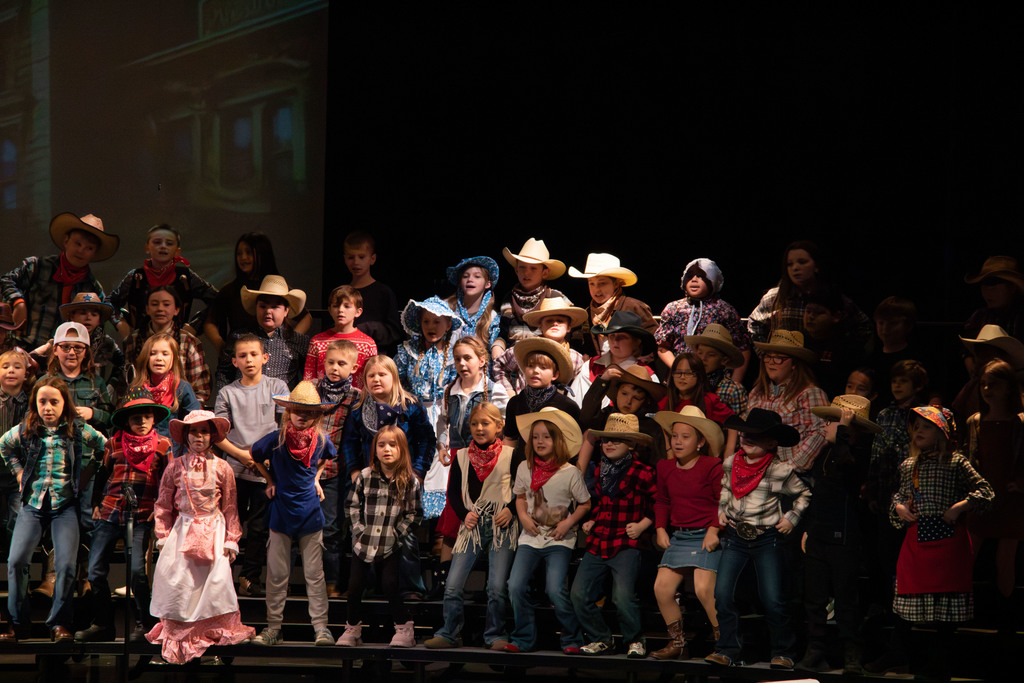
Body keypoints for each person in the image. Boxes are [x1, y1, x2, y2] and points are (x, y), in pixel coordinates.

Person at [866, 406, 994, 679]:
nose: (918, 431)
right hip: (917, 541)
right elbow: (897, 500)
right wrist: (900, 508)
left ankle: (940, 665)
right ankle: (899, 655)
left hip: (948, 543)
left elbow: (986, 492)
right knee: (905, 603)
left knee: (945, 610)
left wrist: (959, 507)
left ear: (942, 432)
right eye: (915, 427)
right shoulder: (909, 465)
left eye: (925, 426)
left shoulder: (957, 462)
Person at [0, 376, 106, 643]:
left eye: (54, 402)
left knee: (67, 565)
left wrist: (87, 474)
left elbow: (105, 447)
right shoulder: (27, 428)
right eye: (42, 402)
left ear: (64, 404)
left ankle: (59, 623)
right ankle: (17, 622)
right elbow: (4, 445)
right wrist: (19, 472)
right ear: (35, 404)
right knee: (16, 561)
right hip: (33, 505)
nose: (48, 407)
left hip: (64, 506)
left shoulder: (77, 429)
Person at [706, 408, 811, 670]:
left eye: (757, 435)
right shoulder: (731, 463)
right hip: (735, 537)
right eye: (745, 433)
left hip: (766, 539)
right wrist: (722, 512)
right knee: (723, 594)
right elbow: (725, 488)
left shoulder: (779, 469)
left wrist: (790, 519)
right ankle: (728, 649)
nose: (747, 438)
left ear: (772, 442)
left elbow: (804, 494)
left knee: (773, 598)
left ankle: (783, 651)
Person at [146, 410, 255, 663]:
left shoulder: (223, 468)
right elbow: (163, 504)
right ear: (186, 435)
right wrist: (163, 534)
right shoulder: (175, 465)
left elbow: (229, 507)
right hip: (183, 531)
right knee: (181, 584)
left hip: (213, 531)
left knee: (213, 585)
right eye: (194, 431)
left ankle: (210, 633)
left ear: (212, 436)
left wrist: (231, 539)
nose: (199, 436)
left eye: (204, 431)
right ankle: (181, 634)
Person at [75, 388, 172, 643]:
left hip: (141, 514)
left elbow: (168, 483)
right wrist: (96, 502)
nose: (141, 422)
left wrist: (160, 511)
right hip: (109, 512)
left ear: (154, 419)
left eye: (146, 417)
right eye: (135, 418)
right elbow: (103, 473)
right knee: (95, 570)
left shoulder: (163, 445)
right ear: (127, 421)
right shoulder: (114, 443)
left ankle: (145, 624)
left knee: (137, 571)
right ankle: (103, 623)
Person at [249, 382, 337, 647]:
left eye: (308, 412)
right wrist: (269, 481)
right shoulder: (277, 439)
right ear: (289, 412)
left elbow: (327, 458)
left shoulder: (321, 441)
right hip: (282, 512)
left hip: (309, 513)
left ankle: (321, 627)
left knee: (315, 574)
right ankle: (274, 627)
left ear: (317, 416)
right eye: (297, 411)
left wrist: (317, 480)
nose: (302, 416)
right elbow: (253, 455)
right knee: (277, 575)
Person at [424, 403, 517, 650]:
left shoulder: (511, 455)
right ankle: (449, 632)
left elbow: (522, 488)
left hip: (500, 526)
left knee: (496, 587)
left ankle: (495, 634)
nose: (478, 428)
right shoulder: (462, 456)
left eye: (485, 423)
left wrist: (512, 509)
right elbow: (453, 492)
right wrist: (465, 514)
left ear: (499, 426)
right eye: (474, 424)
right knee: (453, 583)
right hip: (472, 525)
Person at [340, 355, 433, 599]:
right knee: (368, 529)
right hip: (371, 481)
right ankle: (372, 585)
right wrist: (353, 469)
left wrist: (419, 472)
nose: (376, 379)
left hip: (403, 479)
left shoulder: (411, 405)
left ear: (394, 377)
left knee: (404, 532)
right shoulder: (360, 409)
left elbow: (426, 440)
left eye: (382, 374)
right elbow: (349, 441)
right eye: (371, 376)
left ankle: (410, 587)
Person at [799, 395, 880, 674]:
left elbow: (847, 468)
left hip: (844, 538)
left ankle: (851, 652)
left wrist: (844, 429)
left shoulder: (857, 456)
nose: (826, 425)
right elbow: (818, 495)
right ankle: (815, 650)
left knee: (846, 599)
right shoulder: (824, 453)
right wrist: (809, 530)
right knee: (815, 599)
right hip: (819, 535)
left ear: (849, 429)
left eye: (833, 421)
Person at [570, 413, 656, 657]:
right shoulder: (600, 471)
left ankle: (635, 639)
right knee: (579, 594)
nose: (608, 444)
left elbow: (658, 504)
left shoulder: (642, 472)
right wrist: (594, 518)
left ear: (631, 444)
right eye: (606, 440)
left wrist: (642, 525)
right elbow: (602, 502)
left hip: (626, 542)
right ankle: (601, 638)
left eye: (616, 440)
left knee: (622, 596)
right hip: (600, 539)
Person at [429, 336, 509, 598]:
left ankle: (489, 584)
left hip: (487, 459)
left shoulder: (493, 390)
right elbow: (442, 422)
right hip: (459, 456)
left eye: (468, 358)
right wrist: (442, 446)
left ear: (482, 361)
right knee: (453, 518)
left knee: (481, 516)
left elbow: (502, 424)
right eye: (458, 359)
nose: (462, 364)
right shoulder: (450, 389)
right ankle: (444, 583)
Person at [506, 408, 589, 654]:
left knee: (555, 588)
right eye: (536, 437)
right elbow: (520, 497)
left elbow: (585, 504)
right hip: (530, 538)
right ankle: (523, 637)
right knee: (515, 585)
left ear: (558, 440)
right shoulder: (524, 467)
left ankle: (572, 638)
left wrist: (567, 522)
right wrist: (522, 516)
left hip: (559, 540)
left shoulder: (570, 472)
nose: (540, 441)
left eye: (546, 436)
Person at [213, 333, 289, 597]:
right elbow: (218, 434)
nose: (249, 360)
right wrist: (242, 456)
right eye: (243, 356)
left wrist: (265, 457)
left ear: (265, 358)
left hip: (265, 468)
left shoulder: (277, 386)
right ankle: (222, 578)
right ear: (234, 361)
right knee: (228, 524)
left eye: (254, 354)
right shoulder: (228, 392)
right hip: (234, 467)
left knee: (258, 526)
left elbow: (285, 426)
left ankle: (249, 576)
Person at [650, 406, 725, 661]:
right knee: (661, 588)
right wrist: (660, 527)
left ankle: (724, 644)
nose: (678, 441)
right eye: (674, 436)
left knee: (704, 589)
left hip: (707, 532)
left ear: (701, 441)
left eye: (685, 436)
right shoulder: (665, 466)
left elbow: (722, 501)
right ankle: (678, 644)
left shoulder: (712, 466)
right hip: (680, 536)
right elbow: (662, 499)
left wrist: (714, 529)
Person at [337, 425, 422, 647]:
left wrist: (397, 532)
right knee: (355, 586)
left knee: (390, 585)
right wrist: (358, 530)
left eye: (393, 445)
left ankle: (403, 628)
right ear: (374, 450)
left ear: (402, 449)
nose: (387, 449)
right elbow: (352, 506)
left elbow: (414, 514)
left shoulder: (409, 480)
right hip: (363, 543)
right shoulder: (365, 476)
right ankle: (352, 628)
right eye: (381, 445)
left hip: (389, 543)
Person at [864, 359, 930, 616]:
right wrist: (870, 487)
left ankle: (910, 604)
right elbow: (876, 453)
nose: (897, 385)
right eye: (894, 380)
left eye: (903, 381)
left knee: (909, 553)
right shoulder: (884, 414)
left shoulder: (922, 416)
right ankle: (887, 604)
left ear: (917, 385)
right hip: (884, 491)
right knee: (884, 553)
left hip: (911, 494)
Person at [1, 212, 119, 349]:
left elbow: (102, 322)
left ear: (94, 253)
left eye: (89, 248)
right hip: (22, 350)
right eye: (78, 243)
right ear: (66, 241)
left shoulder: (92, 288)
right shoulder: (38, 267)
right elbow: (6, 279)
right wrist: (18, 302)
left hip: (62, 359)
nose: (81, 250)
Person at [965, 360, 1024, 631]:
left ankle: (1007, 621)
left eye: (995, 383)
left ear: (1009, 387)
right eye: (984, 383)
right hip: (982, 498)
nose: (987, 389)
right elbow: (971, 459)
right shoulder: (976, 422)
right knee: (967, 554)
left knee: (1005, 559)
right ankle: (959, 612)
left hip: (1010, 500)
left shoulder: (1018, 422)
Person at [747, 239, 871, 349]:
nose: (795, 268)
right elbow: (754, 323)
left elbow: (863, 325)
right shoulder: (775, 297)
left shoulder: (832, 297)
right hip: (786, 368)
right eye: (790, 264)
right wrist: (765, 354)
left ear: (816, 266)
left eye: (802, 262)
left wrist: (846, 352)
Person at [204, 232, 311, 355]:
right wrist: (222, 346)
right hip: (242, 356)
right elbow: (210, 322)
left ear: (262, 254)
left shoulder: (277, 288)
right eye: (239, 253)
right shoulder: (231, 289)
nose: (243, 257)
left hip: (273, 355)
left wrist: (289, 342)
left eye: (248, 252)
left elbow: (306, 317)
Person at [107, 223, 218, 338]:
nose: (163, 246)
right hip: (141, 344)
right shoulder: (136, 277)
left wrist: (195, 326)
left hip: (177, 344)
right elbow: (110, 302)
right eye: (157, 242)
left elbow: (219, 300)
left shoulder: (184, 277)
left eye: (169, 243)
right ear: (147, 247)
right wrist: (120, 323)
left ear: (177, 251)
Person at [313, 340, 361, 597]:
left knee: (334, 526)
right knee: (314, 526)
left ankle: (334, 582)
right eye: (330, 362)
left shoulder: (355, 396)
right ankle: (319, 581)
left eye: (341, 363)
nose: (334, 367)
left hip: (336, 470)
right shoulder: (311, 389)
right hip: (307, 469)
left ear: (353, 368)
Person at [656, 258, 751, 382]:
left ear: (713, 281)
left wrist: (735, 381)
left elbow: (743, 347)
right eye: (690, 276)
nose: (694, 279)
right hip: (679, 379)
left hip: (715, 380)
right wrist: (679, 369)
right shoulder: (674, 308)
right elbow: (662, 346)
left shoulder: (724, 310)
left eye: (701, 276)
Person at [747, 330, 829, 471]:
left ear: (794, 364)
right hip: (755, 469)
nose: (771, 362)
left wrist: (790, 468)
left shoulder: (809, 393)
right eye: (768, 356)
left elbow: (819, 434)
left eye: (778, 358)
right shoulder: (756, 393)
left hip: (789, 473)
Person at [215, 275, 309, 391]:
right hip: (244, 403)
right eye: (263, 306)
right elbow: (224, 372)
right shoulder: (239, 337)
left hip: (282, 406)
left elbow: (308, 379)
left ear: (286, 311)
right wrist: (225, 400)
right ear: (256, 308)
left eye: (275, 307)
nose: (268, 311)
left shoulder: (299, 341)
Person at [124, 286, 211, 405]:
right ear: (147, 309)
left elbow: (201, 389)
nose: (160, 309)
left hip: (179, 410)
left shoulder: (188, 341)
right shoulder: (133, 340)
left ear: (176, 309)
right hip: (142, 409)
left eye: (166, 304)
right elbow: (125, 382)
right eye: (154, 304)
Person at [501, 338, 582, 460]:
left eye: (543, 367)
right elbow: (510, 438)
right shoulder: (515, 402)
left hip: (555, 469)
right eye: (530, 366)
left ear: (555, 375)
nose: (535, 371)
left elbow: (574, 444)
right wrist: (505, 469)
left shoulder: (567, 406)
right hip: (522, 467)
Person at [568, 253, 658, 358]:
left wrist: (640, 360)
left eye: (602, 283)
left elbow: (655, 339)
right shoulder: (587, 314)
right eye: (591, 283)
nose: (596, 289)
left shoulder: (633, 307)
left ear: (616, 284)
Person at [493, 296, 587, 394]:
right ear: (540, 326)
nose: (555, 323)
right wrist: (508, 391)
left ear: (568, 328)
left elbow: (579, 390)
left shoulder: (575, 359)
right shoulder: (525, 349)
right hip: (523, 407)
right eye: (549, 320)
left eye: (560, 321)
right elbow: (499, 365)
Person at [396, 296, 461, 430]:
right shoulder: (409, 351)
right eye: (426, 321)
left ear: (448, 325)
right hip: (412, 411)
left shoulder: (453, 354)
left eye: (437, 322)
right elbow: (395, 377)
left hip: (443, 413)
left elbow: (457, 383)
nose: (431, 326)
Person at [128, 333, 202, 446]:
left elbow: (195, 425)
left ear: (175, 358)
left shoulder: (181, 388)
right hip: (141, 453)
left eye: (165, 354)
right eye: (153, 354)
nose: (159, 358)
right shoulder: (136, 388)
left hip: (172, 455)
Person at [570, 310, 658, 404]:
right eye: (612, 335)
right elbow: (575, 402)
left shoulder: (647, 375)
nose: (615, 341)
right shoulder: (590, 366)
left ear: (637, 341)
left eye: (622, 336)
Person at [305, 285, 377, 390]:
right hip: (321, 402)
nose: (340, 310)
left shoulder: (368, 344)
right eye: (336, 306)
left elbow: (372, 377)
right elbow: (308, 379)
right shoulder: (317, 341)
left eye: (347, 306)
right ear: (329, 310)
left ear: (358, 312)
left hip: (355, 402)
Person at [57, 292, 127, 401]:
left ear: (99, 320)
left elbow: (123, 365)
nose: (88, 317)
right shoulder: (61, 339)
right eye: (83, 313)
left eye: (94, 314)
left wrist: (112, 384)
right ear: (72, 316)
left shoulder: (106, 342)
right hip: (65, 394)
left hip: (95, 397)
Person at [342, 231, 402, 356]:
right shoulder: (342, 292)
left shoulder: (383, 293)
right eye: (351, 257)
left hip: (374, 358)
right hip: (345, 355)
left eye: (361, 257)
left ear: (372, 259)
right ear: (345, 258)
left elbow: (394, 332)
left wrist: (368, 329)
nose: (356, 262)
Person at [498, 238, 567, 344]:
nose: (526, 273)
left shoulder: (555, 297)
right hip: (513, 354)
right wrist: (498, 345)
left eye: (533, 268)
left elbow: (570, 330)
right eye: (522, 267)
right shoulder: (509, 298)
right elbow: (503, 331)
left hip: (546, 353)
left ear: (544, 273)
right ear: (516, 271)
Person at [665, 352, 736, 454]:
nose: (682, 377)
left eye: (689, 373)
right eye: (678, 372)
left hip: (703, 456)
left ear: (699, 376)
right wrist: (669, 453)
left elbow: (732, 421)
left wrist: (729, 450)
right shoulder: (667, 402)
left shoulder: (708, 400)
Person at [684, 323, 748, 416]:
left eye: (711, 355)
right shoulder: (689, 383)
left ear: (724, 360)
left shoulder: (732, 389)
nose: (703, 358)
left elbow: (739, 423)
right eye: (700, 353)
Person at [446, 256, 503, 359]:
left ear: (487, 284)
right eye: (465, 276)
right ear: (460, 282)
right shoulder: (448, 309)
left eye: (477, 276)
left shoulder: (491, 317)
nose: (470, 280)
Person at [961, 255, 1024, 346]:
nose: (987, 290)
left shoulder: (1020, 317)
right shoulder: (979, 317)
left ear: (1012, 287)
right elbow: (966, 351)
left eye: (993, 283)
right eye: (984, 283)